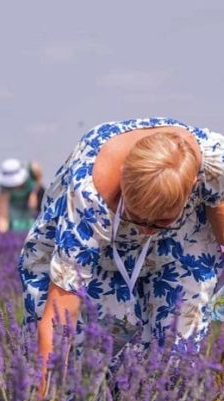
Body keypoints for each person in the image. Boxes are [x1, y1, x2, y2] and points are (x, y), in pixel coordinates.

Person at [18, 118, 224, 382]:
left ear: (193, 184)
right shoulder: (90, 193)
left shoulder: (215, 162)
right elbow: (60, 315)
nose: (147, 230)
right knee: (80, 365)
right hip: (101, 242)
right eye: (138, 219)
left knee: (178, 362)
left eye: (160, 221)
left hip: (182, 243)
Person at [0, 158, 44, 233]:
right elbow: (3, 210)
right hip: (14, 215)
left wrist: (33, 194)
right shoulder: (4, 189)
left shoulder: (30, 177)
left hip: (31, 212)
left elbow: (38, 181)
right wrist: (2, 229)